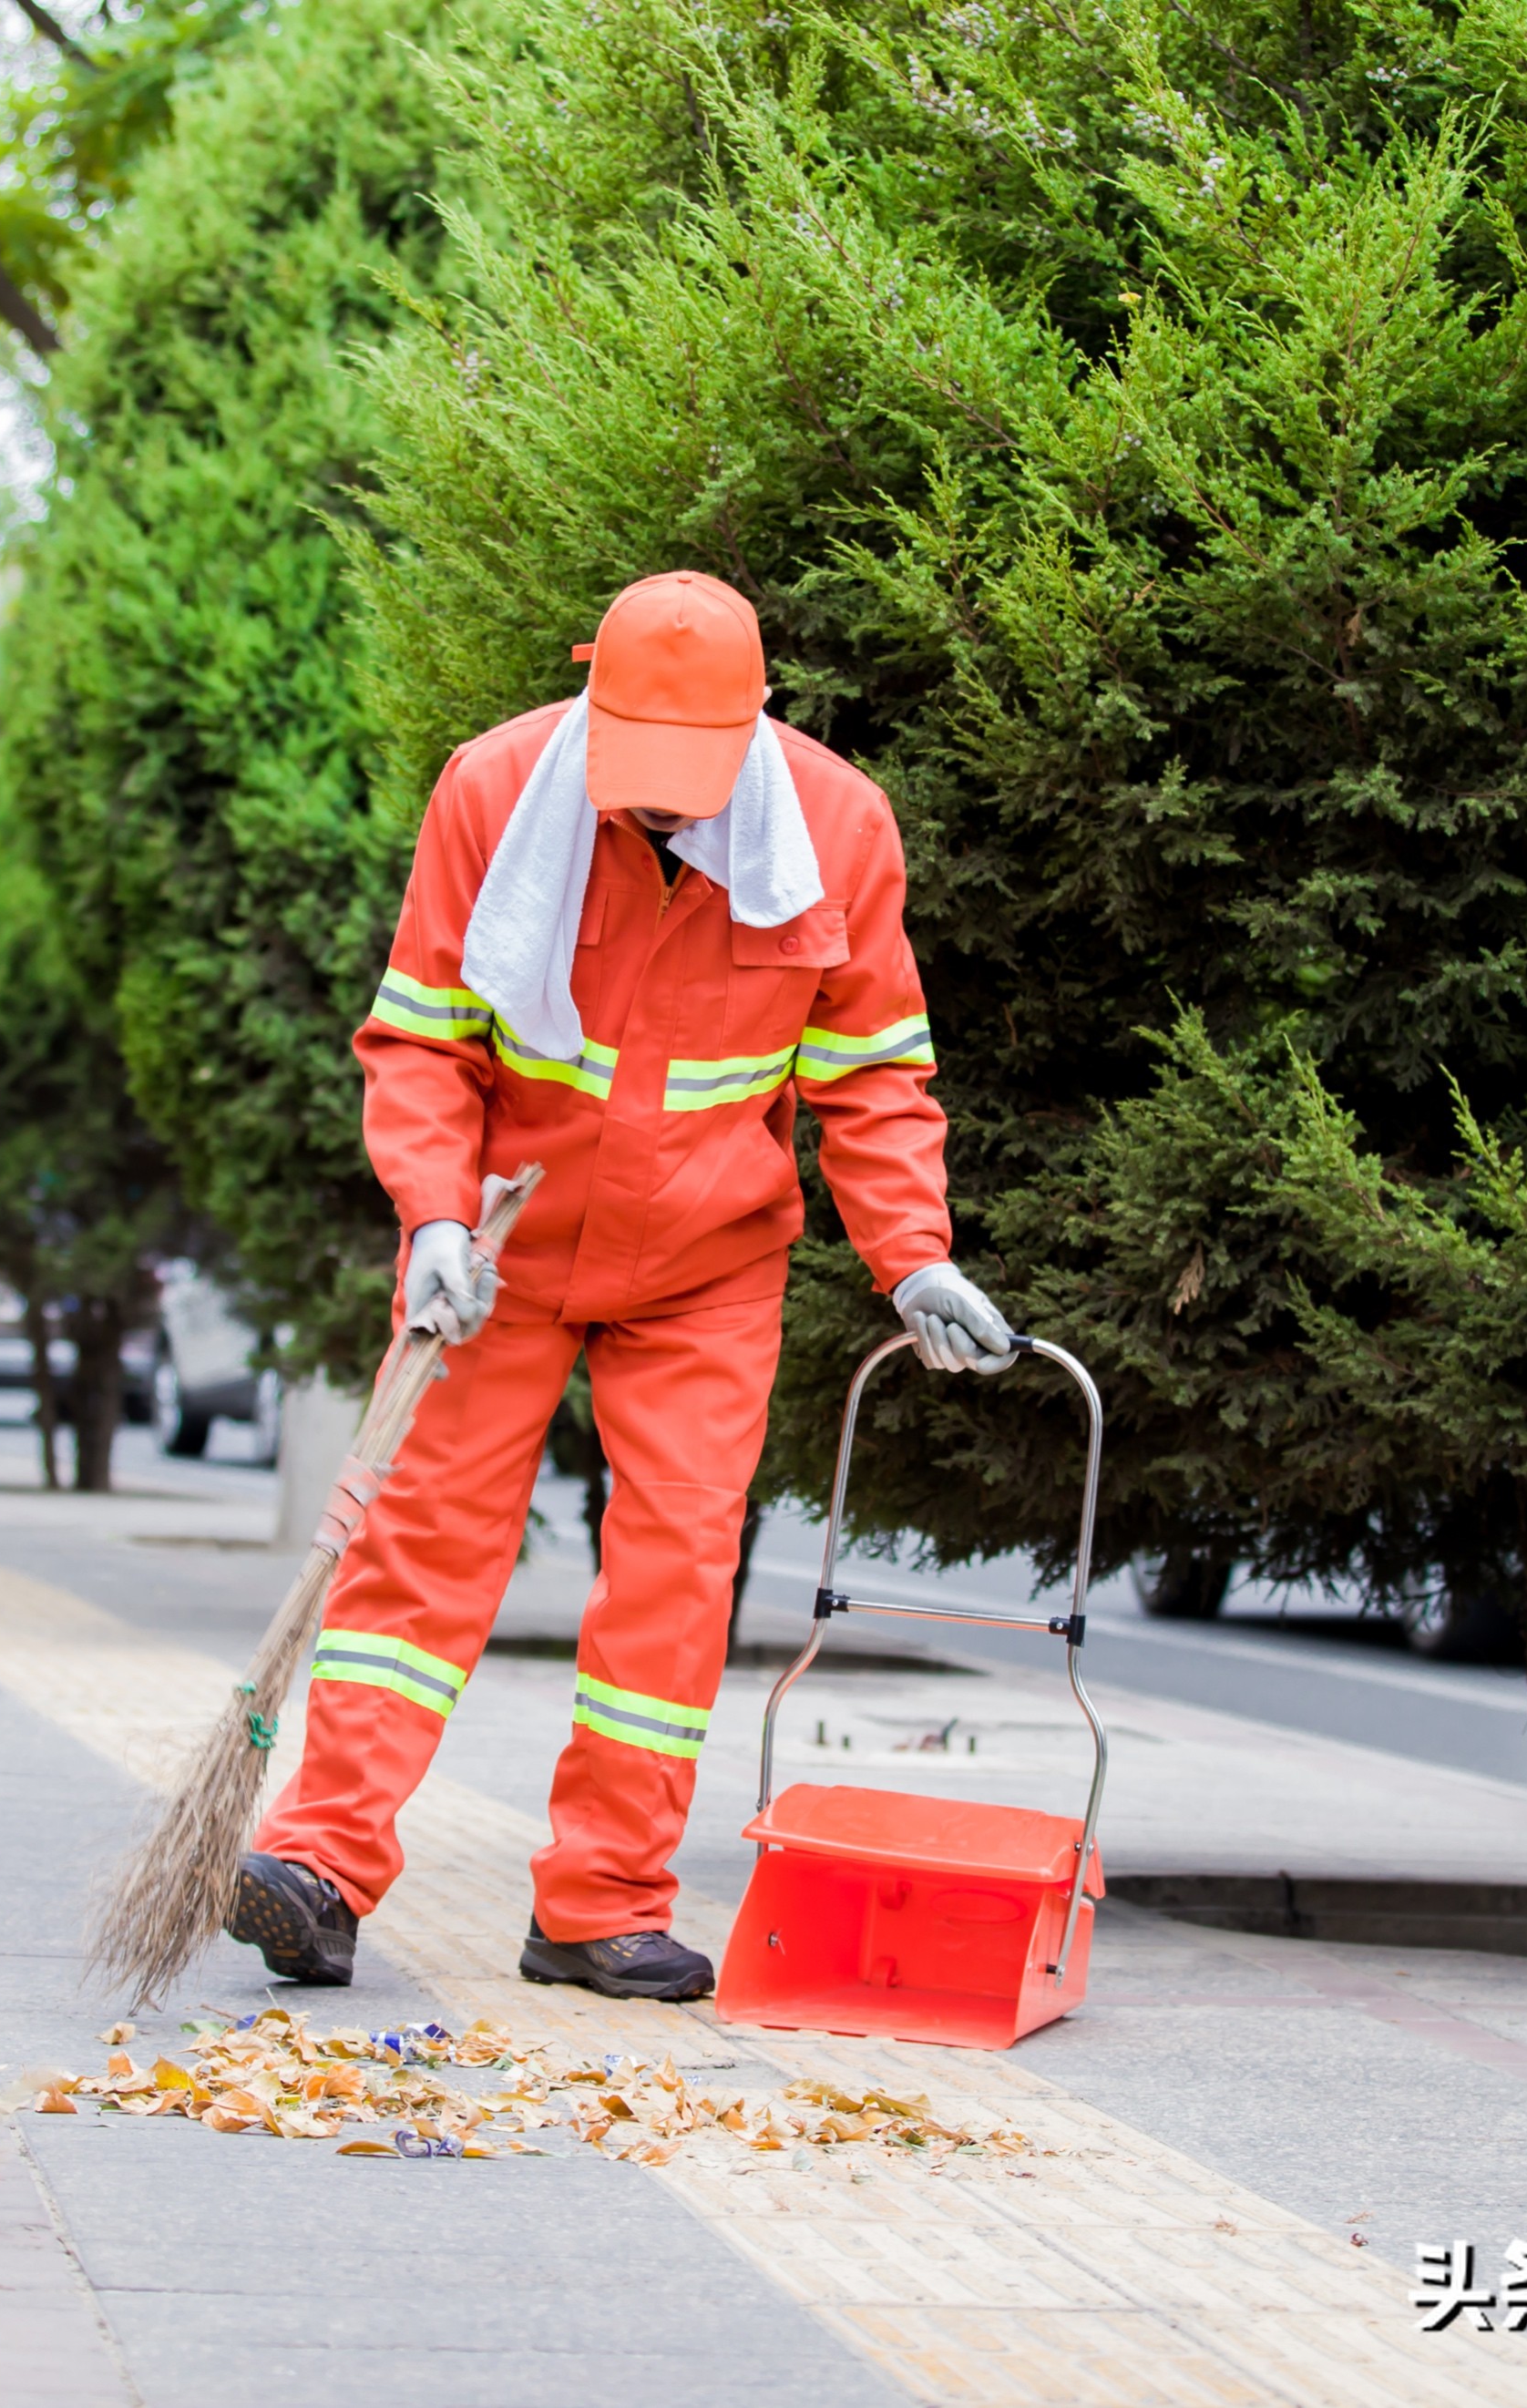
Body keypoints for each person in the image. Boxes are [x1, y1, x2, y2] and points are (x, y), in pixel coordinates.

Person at [225, 570, 1015, 2000]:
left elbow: (873, 1076)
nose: (657, 809)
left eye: (686, 782)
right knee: (420, 1553)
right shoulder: (496, 786)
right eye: (634, 775)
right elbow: (420, 1042)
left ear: (754, 725)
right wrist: (436, 1219)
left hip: (707, 1268)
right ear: (592, 703)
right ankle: (320, 1868)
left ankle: (601, 1906)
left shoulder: (838, 826)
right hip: (501, 1253)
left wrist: (915, 1258)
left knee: (672, 1583)